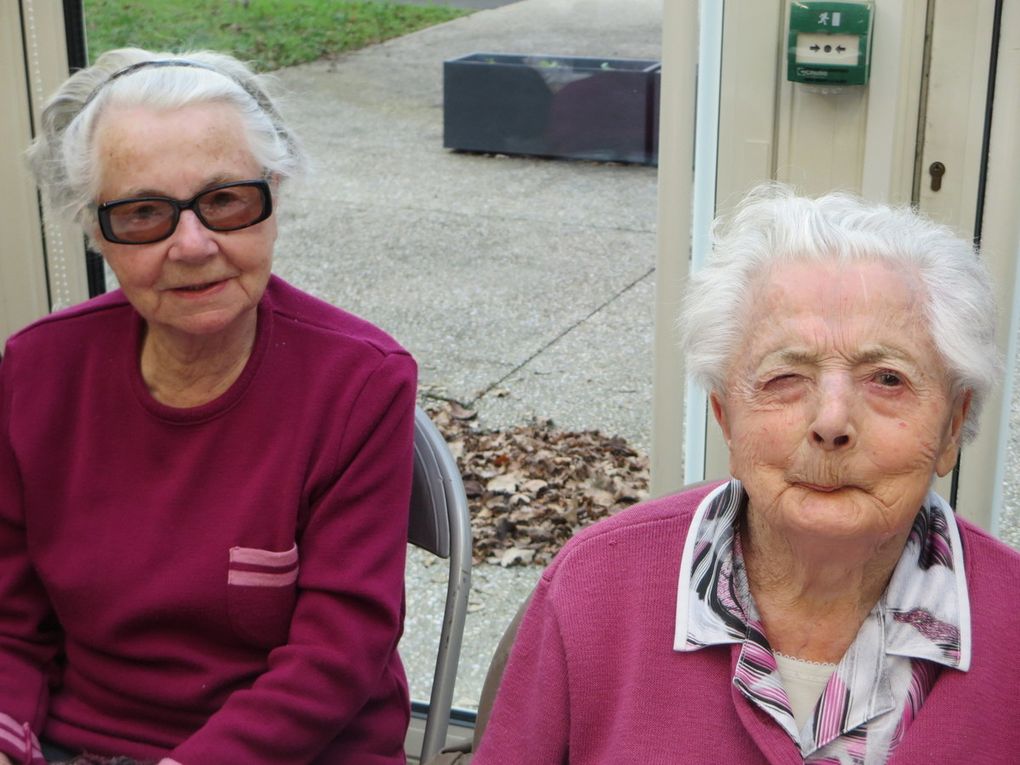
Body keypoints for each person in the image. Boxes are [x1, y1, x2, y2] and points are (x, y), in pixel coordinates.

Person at [471, 184, 1020, 764]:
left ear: (953, 426)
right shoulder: (597, 588)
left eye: (887, 378)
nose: (831, 422)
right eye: (786, 376)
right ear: (725, 418)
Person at [0, 48, 417, 764]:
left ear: (274, 195)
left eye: (225, 201)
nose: (192, 246)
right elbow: (8, 621)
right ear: (94, 228)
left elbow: (337, 653)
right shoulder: (39, 369)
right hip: (76, 744)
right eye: (142, 213)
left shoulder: (360, 383)